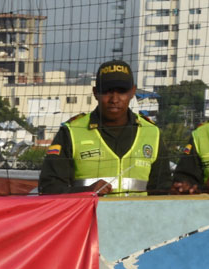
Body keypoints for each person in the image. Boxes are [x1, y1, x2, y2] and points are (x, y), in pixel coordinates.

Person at [38, 60, 169, 196]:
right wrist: (86, 192)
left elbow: (162, 190)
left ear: (132, 92)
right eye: (107, 91)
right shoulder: (71, 132)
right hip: (89, 216)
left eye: (122, 91)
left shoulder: (152, 133)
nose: (114, 99)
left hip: (139, 217)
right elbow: (48, 187)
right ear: (95, 93)